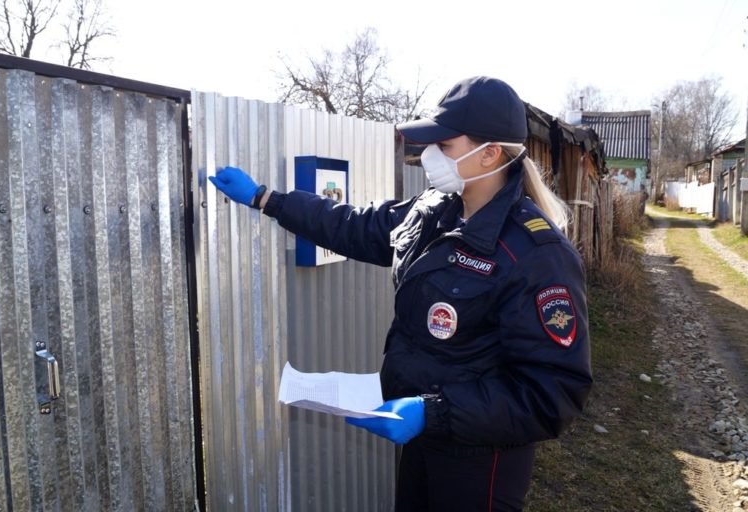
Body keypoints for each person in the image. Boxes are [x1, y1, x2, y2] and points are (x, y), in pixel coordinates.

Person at [209, 76, 592, 512]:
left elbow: (553, 392)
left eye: (444, 145)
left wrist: (435, 412)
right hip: (424, 441)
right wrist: (267, 199)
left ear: (489, 153)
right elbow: (352, 226)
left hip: (480, 462)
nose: (429, 155)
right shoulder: (433, 212)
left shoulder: (537, 255)